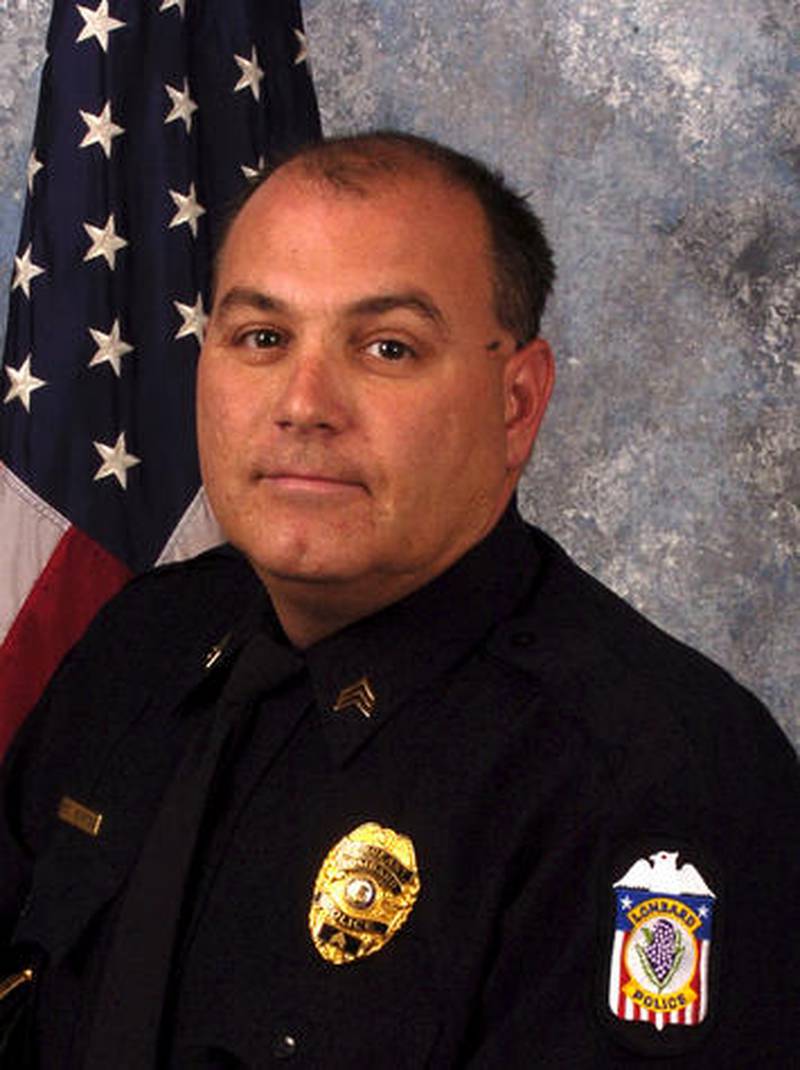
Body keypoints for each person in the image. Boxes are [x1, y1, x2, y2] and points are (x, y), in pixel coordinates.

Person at [1, 131, 798, 1068]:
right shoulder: (141, 643)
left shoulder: (648, 784)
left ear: (516, 403)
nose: (304, 403)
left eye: (387, 348)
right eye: (263, 338)